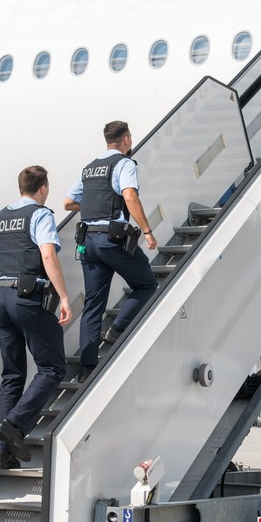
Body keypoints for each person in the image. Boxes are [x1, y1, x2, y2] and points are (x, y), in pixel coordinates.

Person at [0, 165, 72, 467]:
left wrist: (9, 269)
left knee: (13, 375)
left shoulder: (0, 217)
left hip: (0, 298)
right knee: (52, 368)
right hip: (27, 297)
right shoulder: (40, 214)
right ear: (43, 188)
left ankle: (4, 455)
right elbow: (47, 254)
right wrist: (65, 297)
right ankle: (14, 425)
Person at [64, 121, 158, 382]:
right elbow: (130, 196)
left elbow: (68, 202)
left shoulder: (90, 168)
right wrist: (147, 231)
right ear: (126, 140)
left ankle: (86, 369)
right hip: (112, 240)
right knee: (147, 285)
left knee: (93, 305)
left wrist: (93, 205)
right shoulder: (124, 164)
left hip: (88, 243)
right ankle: (117, 329)